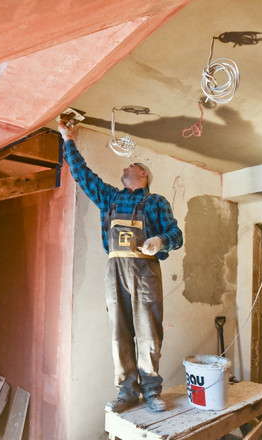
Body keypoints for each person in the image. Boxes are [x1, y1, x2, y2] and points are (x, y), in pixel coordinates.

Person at [57, 119, 183, 413]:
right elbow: (83, 175)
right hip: (115, 273)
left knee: (149, 334)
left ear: (143, 174)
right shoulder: (111, 198)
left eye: (130, 167)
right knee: (120, 333)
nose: (124, 170)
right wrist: (68, 139)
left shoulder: (155, 202)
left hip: (145, 272)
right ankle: (127, 394)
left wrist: (159, 240)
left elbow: (177, 236)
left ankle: (152, 392)